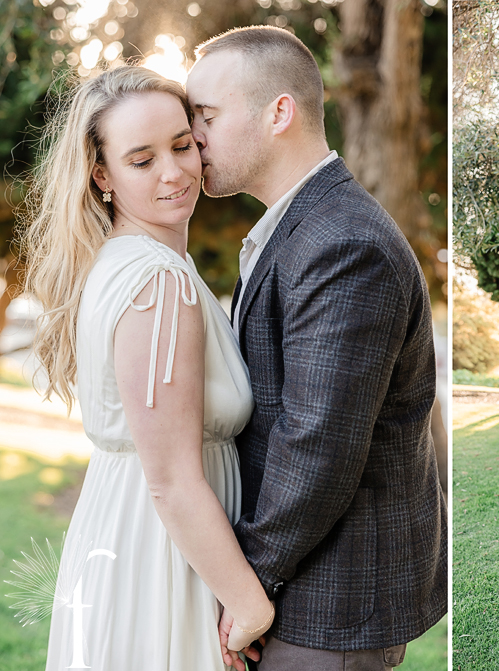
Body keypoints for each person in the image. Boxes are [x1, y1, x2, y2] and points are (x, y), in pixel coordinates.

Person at [185, 26, 447, 670]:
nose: (193, 138)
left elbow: (318, 442)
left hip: (335, 598)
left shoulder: (341, 244)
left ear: (280, 112)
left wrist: (251, 584)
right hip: (310, 583)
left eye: (207, 117)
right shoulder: (295, 227)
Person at [22, 66, 273, 669]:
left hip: (136, 532)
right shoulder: (156, 283)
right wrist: (249, 604)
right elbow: (172, 479)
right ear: (101, 174)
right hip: (160, 555)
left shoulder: (137, 263)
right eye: (142, 160)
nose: (174, 171)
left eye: (182, 145)